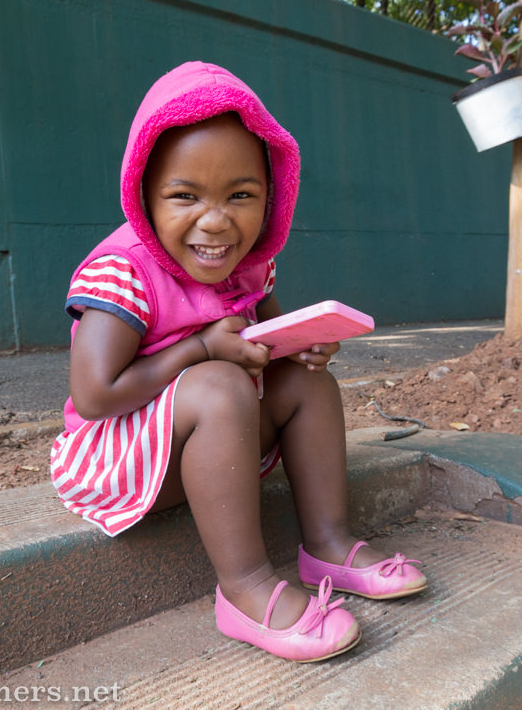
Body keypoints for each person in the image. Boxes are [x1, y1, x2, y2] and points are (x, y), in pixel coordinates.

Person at [50, 61, 426, 663]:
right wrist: (199, 349)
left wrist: (301, 343)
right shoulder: (123, 271)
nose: (216, 220)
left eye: (241, 195)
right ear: (142, 194)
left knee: (304, 379)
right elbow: (95, 396)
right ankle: (245, 587)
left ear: (271, 196)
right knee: (221, 383)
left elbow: (265, 339)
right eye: (184, 195)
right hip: (116, 459)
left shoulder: (250, 261)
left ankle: (327, 542)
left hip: (208, 449)